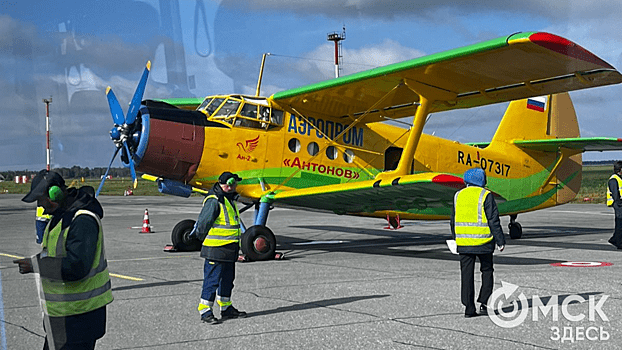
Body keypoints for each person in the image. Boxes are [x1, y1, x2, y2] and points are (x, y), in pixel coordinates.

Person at [13, 170, 113, 349]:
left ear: (54, 194)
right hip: (63, 318)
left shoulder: (82, 220)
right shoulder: (58, 219)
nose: (41, 206)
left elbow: (77, 266)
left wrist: (35, 265)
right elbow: (53, 254)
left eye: (41, 200)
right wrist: (33, 261)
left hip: (80, 319)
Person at [191, 171, 247, 324]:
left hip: (229, 249)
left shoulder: (229, 200)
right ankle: (205, 311)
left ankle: (226, 308)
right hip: (215, 249)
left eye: (235, 184)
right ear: (225, 184)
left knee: (227, 280)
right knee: (212, 281)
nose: (234, 186)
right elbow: (203, 224)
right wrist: (200, 240)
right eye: (232, 184)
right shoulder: (214, 200)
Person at [451, 168, 505, 318]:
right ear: (482, 180)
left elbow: (453, 220)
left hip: (464, 242)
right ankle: (484, 303)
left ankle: (469, 308)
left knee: (466, 275)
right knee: (487, 271)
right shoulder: (486, 195)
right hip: (484, 242)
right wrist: (500, 240)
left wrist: (456, 238)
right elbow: (493, 220)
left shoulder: (458, 195)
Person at [606, 161, 622, 249]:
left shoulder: (619, 178)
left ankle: (614, 239)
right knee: (620, 223)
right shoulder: (614, 179)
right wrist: (619, 203)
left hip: (619, 203)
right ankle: (619, 242)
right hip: (618, 204)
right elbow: (615, 193)